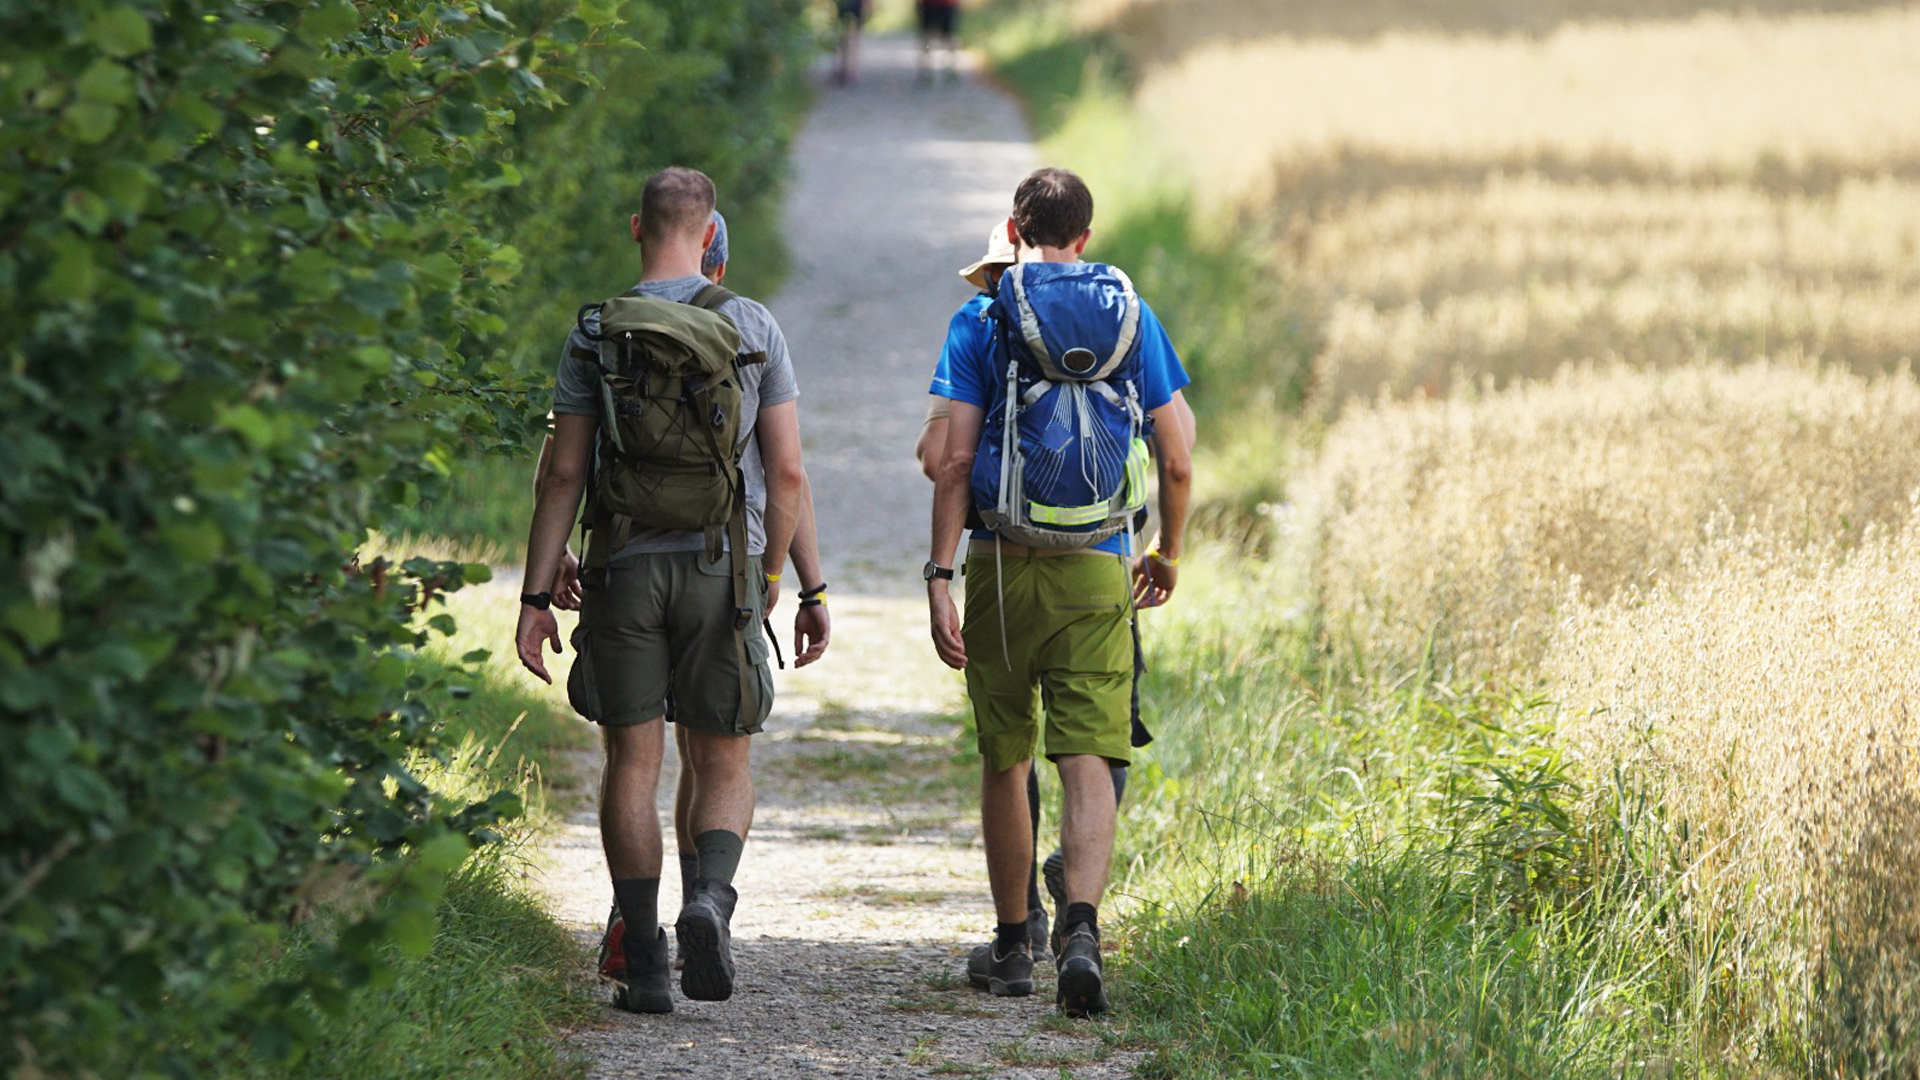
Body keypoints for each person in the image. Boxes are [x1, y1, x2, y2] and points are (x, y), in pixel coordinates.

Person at [517, 167, 826, 1014]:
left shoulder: (594, 333)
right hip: (721, 569)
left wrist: (536, 594)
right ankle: (710, 901)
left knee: (632, 757)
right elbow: (789, 471)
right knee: (722, 754)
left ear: (635, 228)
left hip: (621, 567)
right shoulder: (753, 324)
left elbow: (564, 472)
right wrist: (789, 583)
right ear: (711, 231)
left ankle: (646, 962)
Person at [927, 167, 1194, 1017]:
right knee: (1088, 755)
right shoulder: (1131, 315)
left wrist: (938, 576)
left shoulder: (982, 316)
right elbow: (1178, 454)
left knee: (1007, 754)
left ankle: (1014, 945)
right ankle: (1081, 930)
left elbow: (955, 460)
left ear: (1012, 231)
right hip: (1101, 561)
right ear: (1086, 237)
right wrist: (1169, 551)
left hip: (1001, 563)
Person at [916, 0, 961, 83]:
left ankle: (951, 66)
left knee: (948, 38)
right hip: (930, 4)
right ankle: (926, 67)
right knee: (927, 37)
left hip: (947, 4)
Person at [832, 0, 869, 87]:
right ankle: (851, 71)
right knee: (853, 38)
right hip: (854, 3)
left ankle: (845, 69)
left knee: (844, 36)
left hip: (847, 3)